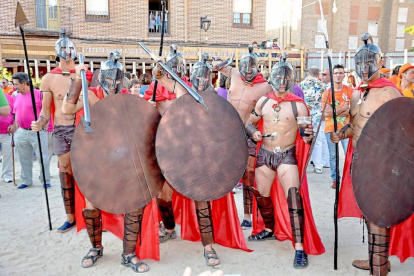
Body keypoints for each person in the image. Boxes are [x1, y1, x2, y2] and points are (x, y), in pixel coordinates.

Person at [149, 49, 249, 267]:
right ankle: (168, 229)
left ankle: (208, 247)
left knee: (201, 200)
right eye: (197, 76)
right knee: (163, 195)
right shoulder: (181, 91)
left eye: (205, 76)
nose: (200, 80)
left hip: (201, 156)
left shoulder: (217, 101)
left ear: (210, 78)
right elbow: (158, 76)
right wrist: (159, 64)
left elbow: (227, 132)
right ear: (191, 77)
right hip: (176, 152)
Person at [62, 51, 152, 273]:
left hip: (122, 158)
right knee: (92, 204)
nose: (112, 85)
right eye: (108, 80)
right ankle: (96, 248)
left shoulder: (125, 98)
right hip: (96, 159)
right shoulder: (90, 95)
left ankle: (129, 253)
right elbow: (66, 110)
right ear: (101, 77)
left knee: (133, 202)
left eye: (116, 81)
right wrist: (75, 80)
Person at [331, 33, 406, 276]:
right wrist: (340, 134)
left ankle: (378, 268)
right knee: (368, 212)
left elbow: (404, 130)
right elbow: (355, 125)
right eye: (360, 64)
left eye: (369, 63)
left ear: (379, 61)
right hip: (359, 161)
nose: (364, 68)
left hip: (381, 164)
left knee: (377, 215)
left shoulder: (390, 93)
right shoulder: (356, 94)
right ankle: (378, 259)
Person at [245, 53, 325, 268]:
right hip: (265, 155)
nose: (281, 83)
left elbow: (305, 133)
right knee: (261, 195)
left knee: (294, 198)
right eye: (277, 78)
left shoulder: (298, 105)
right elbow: (249, 122)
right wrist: (254, 133)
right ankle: (269, 229)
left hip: (286, 156)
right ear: (272, 78)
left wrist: (308, 135)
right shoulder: (264, 101)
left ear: (291, 80)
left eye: (285, 79)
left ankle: (300, 248)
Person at [31, 29, 92, 232]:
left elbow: (94, 102)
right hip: (60, 130)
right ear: (57, 51)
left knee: (86, 172)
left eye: (70, 47)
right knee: (65, 172)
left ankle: (92, 214)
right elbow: (45, 111)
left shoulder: (85, 74)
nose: (67, 51)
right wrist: (39, 122)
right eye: (63, 47)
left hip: (81, 128)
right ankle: (71, 216)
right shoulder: (48, 78)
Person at [213, 45, 272, 230]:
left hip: (248, 135)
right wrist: (222, 62)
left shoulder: (265, 86)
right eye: (244, 67)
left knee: (248, 177)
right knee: (222, 175)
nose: (247, 71)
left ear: (258, 68)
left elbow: (272, 109)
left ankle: (247, 215)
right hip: (228, 133)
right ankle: (221, 215)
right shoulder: (235, 74)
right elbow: (217, 67)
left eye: (252, 68)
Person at [10, 72, 50, 189]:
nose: (15, 86)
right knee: (23, 158)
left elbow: (46, 112)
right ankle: (26, 181)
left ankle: (45, 180)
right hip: (21, 131)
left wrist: (44, 126)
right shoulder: (16, 97)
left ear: (25, 83)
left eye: (16, 84)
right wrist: (14, 126)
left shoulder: (38, 95)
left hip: (37, 131)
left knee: (43, 157)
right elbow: (17, 114)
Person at [321, 64, 353, 189]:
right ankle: (335, 179)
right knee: (333, 155)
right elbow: (326, 113)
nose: (338, 75)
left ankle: (349, 177)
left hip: (347, 128)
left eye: (340, 73)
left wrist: (336, 109)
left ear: (344, 75)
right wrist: (345, 107)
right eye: (336, 73)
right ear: (332, 75)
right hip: (331, 128)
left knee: (349, 154)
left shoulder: (350, 91)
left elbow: (353, 110)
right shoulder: (327, 93)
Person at [299, 67, 325, 174]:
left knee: (303, 140)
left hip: (303, 115)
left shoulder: (301, 85)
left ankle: (303, 165)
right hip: (317, 115)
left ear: (308, 73)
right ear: (318, 74)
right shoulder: (322, 85)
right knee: (317, 141)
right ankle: (318, 165)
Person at [0, 91, 15, 183]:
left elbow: (16, 112)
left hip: (7, 131)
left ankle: (7, 175)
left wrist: (14, 125)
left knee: (8, 154)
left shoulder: (9, 98)